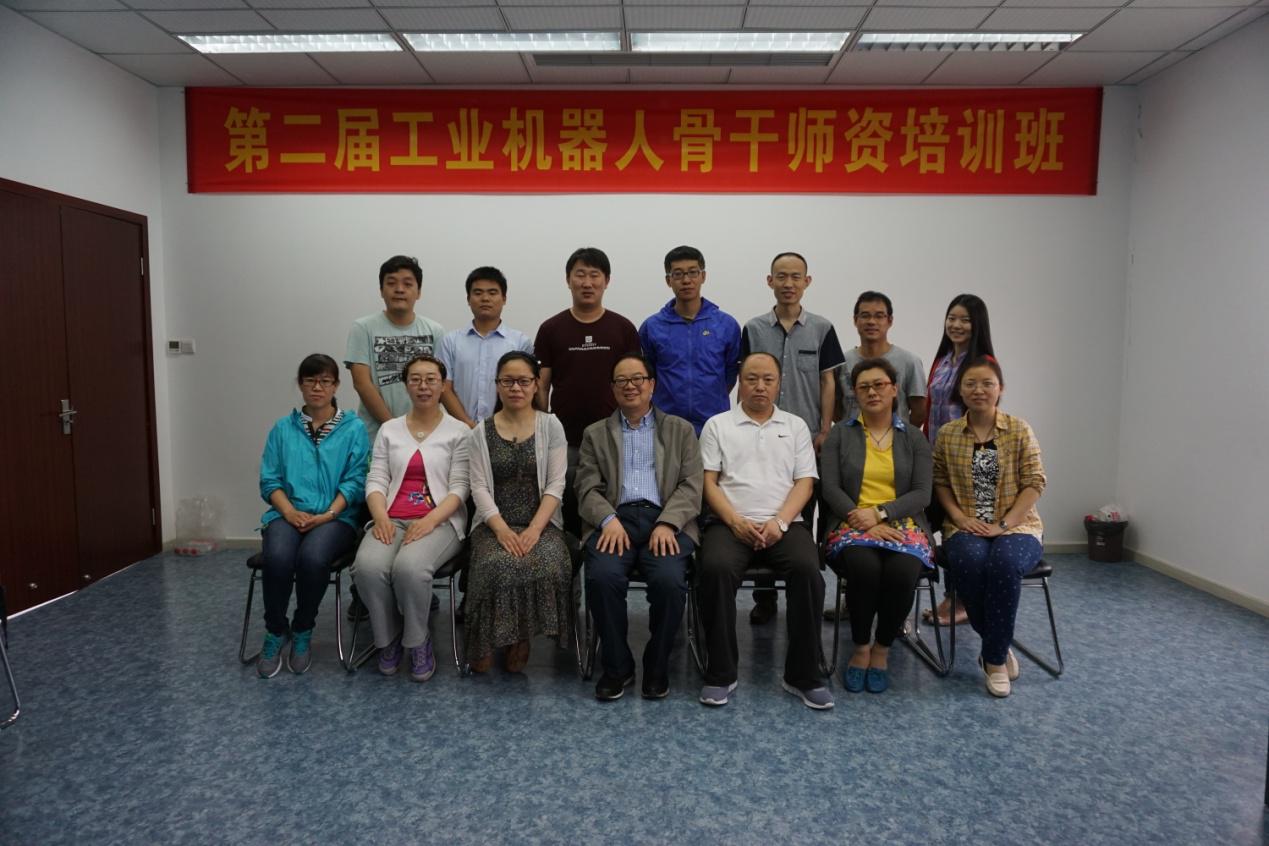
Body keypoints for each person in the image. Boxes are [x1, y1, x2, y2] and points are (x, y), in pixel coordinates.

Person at [696, 353, 832, 710]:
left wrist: (780, 522)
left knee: (808, 573)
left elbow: (805, 483)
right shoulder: (718, 425)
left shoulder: (796, 426)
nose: (760, 386)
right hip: (729, 523)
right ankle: (721, 673)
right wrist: (735, 521)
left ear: (779, 383)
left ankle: (803, 675)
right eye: (752, 378)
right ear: (739, 382)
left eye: (768, 379)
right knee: (715, 570)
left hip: (784, 524)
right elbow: (708, 483)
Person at [575, 353, 703, 701]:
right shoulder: (595, 434)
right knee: (602, 578)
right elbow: (586, 487)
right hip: (614, 520)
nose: (630, 386)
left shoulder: (680, 430)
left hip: (666, 520)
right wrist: (607, 520)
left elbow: (692, 486)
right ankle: (617, 667)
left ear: (652, 385)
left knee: (669, 582)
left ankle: (657, 665)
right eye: (621, 380)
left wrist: (668, 523)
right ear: (612, 388)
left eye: (637, 379)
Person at [740, 250, 846, 625]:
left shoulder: (822, 328)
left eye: (795, 277)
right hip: (761, 438)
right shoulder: (753, 328)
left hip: (805, 439)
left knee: (803, 516)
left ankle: (803, 591)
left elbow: (828, 381)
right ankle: (765, 598)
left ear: (807, 281)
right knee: (760, 508)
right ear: (769, 281)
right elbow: (745, 380)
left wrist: (825, 428)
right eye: (781, 276)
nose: (788, 283)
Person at [352, 354, 470, 682]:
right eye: (415, 379)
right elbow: (376, 479)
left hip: (440, 522)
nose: (423, 386)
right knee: (367, 568)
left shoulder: (459, 431)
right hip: (391, 518)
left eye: (431, 379)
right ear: (406, 385)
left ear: (443, 386)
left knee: (410, 568)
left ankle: (418, 641)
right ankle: (387, 639)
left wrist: (430, 520)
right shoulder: (389, 430)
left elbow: (460, 488)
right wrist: (380, 517)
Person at [933, 357, 1046, 698]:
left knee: (1005, 563)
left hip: (1018, 526)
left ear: (1001, 389)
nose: (978, 390)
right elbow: (940, 482)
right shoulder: (948, 433)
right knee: (969, 561)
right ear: (960, 390)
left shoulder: (1018, 429)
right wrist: (958, 517)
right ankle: (999, 645)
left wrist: (1004, 524)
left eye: (987, 383)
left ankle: (993, 659)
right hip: (965, 525)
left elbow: (1035, 482)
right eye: (970, 384)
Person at [821, 358, 932, 694]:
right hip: (851, 521)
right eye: (864, 387)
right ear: (854, 394)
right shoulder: (840, 433)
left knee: (902, 573)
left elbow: (922, 493)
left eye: (879, 385)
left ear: (894, 389)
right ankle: (860, 647)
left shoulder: (914, 437)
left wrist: (881, 514)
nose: (872, 392)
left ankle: (882, 648)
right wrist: (861, 519)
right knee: (864, 569)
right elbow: (830, 487)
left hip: (903, 523)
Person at [256, 354, 370, 678]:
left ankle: (303, 628)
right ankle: (275, 631)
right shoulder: (283, 429)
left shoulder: (353, 428)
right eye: (310, 381)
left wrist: (329, 514)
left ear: (336, 385)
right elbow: (270, 480)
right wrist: (289, 512)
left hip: (336, 518)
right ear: (301, 385)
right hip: (287, 514)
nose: (317, 387)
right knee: (277, 557)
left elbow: (356, 480)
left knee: (313, 558)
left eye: (325, 381)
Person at [465, 351, 573, 673]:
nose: (516, 388)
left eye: (524, 381)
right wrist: (501, 529)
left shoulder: (551, 426)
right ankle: (485, 640)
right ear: (497, 385)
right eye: (508, 381)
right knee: (494, 563)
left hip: (542, 522)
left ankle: (520, 637)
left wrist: (535, 529)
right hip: (493, 523)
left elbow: (556, 484)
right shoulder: (479, 432)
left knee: (546, 560)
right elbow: (478, 488)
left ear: (536, 384)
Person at [534, 247, 640, 536]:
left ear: (607, 281)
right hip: (564, 438)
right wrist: (544, 428)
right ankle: (569, 559)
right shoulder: (551, 328)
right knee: (566, 501)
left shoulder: (623, 328)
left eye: (595, 275)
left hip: (615, 437)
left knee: (611, 500)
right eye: (580, 275)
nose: (587, 282)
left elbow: (634, 384)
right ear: (568, 280)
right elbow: (541, 385)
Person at [924, 293, 995, 627]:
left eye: (965, 319)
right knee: (936, 526)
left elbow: (986, 412)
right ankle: (954, 596)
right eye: (952, 318)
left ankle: (960, 601)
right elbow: (930, 409)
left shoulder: (983, 362)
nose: (956, 325)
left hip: (969, 460)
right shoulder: (943, 360)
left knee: (960, 530)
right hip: (936, 456)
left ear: (977, 324)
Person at [637, 245, 741, 435]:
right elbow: (649, 375)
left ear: (703, 276)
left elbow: (730, 374)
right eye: (678, 274)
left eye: (693, 272)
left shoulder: (726, 324)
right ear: (668, 280)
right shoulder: (652, 327)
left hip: (714, 424)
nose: (686, 280)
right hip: (666, 425)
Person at [345, 254, 445, 442]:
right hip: (376, 437)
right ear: (381, 290)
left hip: (425, 436)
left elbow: (439, 384)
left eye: (407, 284)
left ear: (419, 292)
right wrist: (394, 428)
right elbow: (362, 383)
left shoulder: (435, 331)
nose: (399, 289)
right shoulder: (363, 328)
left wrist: (415, 430)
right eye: (391, 283)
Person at [437, 266, 534, 428]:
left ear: (504, 298)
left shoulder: (520, 342)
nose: (485, 298)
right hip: (460, 430)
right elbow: (444, 388)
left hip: (508, 429)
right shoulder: (450, 341)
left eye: (492, 293)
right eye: (478, 293)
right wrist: (467, 425)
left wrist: (500, 429)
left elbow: (525, 388)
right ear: (468, 299)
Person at [835, 291, 927, 427]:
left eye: (879, 316)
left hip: (896, 438)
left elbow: (919, 411)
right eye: (865, 316)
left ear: (890, 321)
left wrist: (902, 434)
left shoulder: (910, 362)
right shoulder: (841, 363)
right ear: (855, 320)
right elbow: (835, 407)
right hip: (851, 438)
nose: (871, 322)